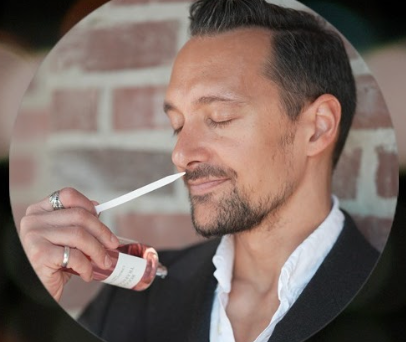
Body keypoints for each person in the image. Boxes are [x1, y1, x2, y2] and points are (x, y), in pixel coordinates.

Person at [18, 0, 381, 341]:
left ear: (317, 128)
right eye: (178, 124)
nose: (180, 154)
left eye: (219, 118)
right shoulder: (132, 302)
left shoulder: (378, 300)